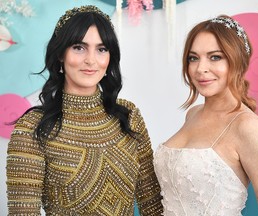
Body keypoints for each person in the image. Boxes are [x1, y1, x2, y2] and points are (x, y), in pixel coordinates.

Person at [6, 5, 163, 215]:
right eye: (79, 47)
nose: (91, 60)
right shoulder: (33, 126)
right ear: (61, 54)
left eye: (101, 49)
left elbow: (152, 204)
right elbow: (22, 212)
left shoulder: (128, 115)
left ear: (110, 58)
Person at [153, 15, 258, 215]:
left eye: (215, 57)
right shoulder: (192, 114)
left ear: (237, 61)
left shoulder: (246, 125)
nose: (201, 69)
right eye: (193, 58)